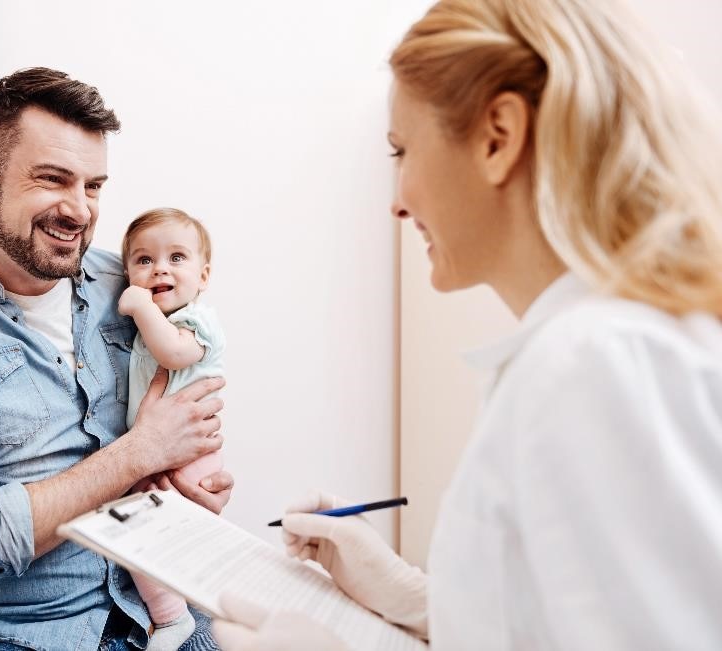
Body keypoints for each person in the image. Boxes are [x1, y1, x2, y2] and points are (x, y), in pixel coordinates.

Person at [213, 0, 722, 648]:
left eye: (401, 149)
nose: (395, 201)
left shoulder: (590, 360)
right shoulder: (618, 343)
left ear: (497, 138)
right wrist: (421, 599)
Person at [0, 67, 234, 651]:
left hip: (156, 607)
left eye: (94, 186)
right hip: (9, 633)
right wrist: (140, 453)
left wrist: (189, 489)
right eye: (54, 179)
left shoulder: (128, 281)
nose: (79, 211)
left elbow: (193, 388)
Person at [117, 208, 226, 651]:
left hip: (190, 453)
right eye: (144, 260)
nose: (160, 267)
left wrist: (141, 305)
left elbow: (176, 354)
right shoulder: (150, 328)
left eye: (176, 257)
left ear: (203, 275)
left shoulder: (196, 322)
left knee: (140, 534)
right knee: (142, 535)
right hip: (159, 451)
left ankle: (171, 619)